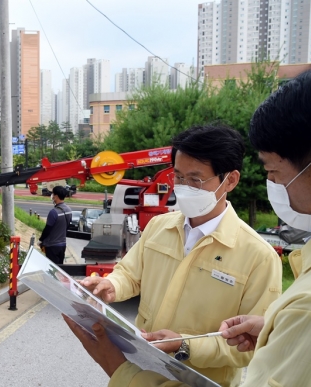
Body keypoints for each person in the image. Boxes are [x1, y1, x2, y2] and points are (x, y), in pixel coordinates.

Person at [70, 125, 282, 387]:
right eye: (179, 177)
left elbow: (250, 345)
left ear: (230, 180)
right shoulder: (160, 226)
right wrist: (111, 285)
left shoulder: (259, 257)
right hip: (141, 373)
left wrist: (184, 345)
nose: (183, 187)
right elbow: (130, 273)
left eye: (195, 180)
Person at [39, 186, 72, 265]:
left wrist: (41, 240)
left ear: (56, 196)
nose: (52, 196)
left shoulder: (53, 212)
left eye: (53, 194)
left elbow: (48, 229)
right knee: (60, 269)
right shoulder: (69, 210)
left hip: (52, 246)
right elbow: (67, 226)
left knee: (52, 270)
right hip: (62, 245)